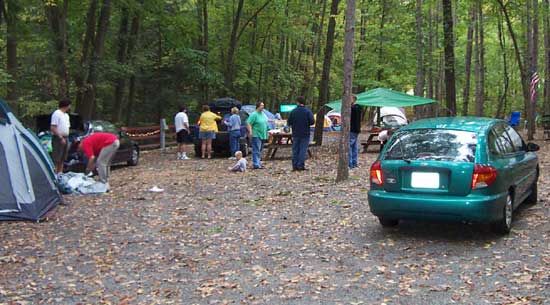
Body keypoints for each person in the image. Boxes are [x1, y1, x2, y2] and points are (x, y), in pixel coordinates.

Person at [287, 96, 314, 171]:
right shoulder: (307, 111)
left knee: (295, 149)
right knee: (303, 149)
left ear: (297, 102)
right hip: (305, 133)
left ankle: (294, 165)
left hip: (295, 133)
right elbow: (312, 121)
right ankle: (300, 165)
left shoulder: (293, 111)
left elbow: (289, 122)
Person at [50, 99, 71, 174]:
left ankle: (60, 173)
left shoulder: (66, 115)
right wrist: (60, 137)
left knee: (62, 158)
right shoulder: (57, 113)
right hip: (58, 138)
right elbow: (53, 127)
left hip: (66, 137)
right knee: (57, 157)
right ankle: (55, 173)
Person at [246, 101, 268, 169]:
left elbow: (266, 121)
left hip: (263, 134)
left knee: (260, 150)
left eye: (263, 105)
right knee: (256, 149)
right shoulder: (254, 114)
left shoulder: (263, 114)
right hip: (256, 134)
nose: (263, 107)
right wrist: (250, 131)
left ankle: (258, 162)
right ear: (258, 106)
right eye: (261, 105)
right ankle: (256, 164)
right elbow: (248, 122)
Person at [349, 95, 362, 169]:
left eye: (350, 99)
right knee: (354, 146)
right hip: (356, 129)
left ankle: (350, 164)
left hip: (352, 129)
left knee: (349, 146)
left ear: (353, 100)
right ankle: (354, 163)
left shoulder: (352, 108)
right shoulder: (358, 107)